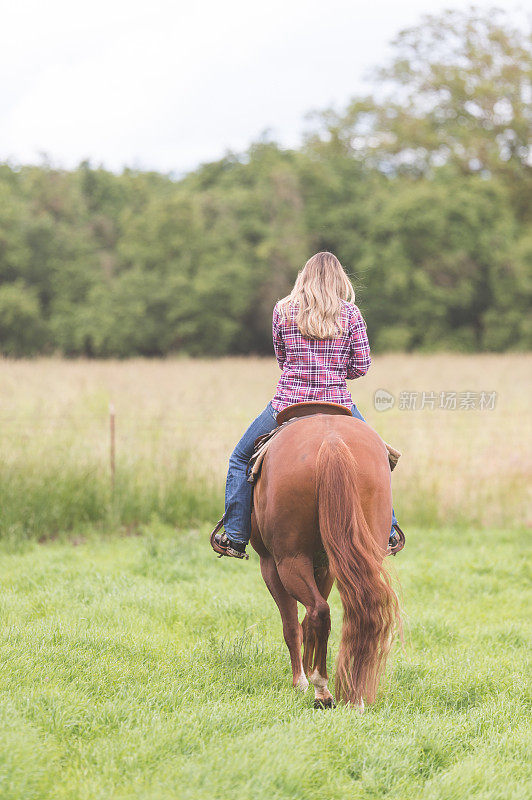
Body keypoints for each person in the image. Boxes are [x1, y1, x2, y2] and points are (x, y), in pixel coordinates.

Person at [212, 251, 404, 559]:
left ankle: (234, 536)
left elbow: (282, 358)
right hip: (338, 403)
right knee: (379, 458)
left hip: (287, 404)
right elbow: (362, 366)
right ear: (339, 279)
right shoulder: (351, 314)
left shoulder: (283, 311)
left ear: (304, 276)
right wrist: (337, 372)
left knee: (239, 459)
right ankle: (389, 531)